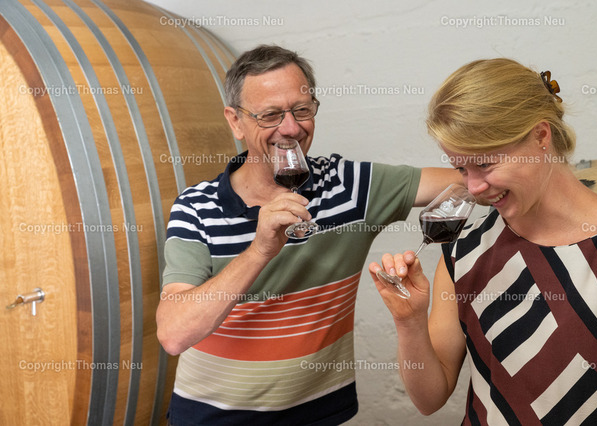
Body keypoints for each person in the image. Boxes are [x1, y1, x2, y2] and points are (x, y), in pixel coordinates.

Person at [155, 44, 460, 425]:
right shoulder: (197, 206)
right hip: (211, 421)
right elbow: (174, 334)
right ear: (235, 121)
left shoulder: (347, 188)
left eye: (301, 110)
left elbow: (472, 180)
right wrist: (259, 252)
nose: (291, 128)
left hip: (320, 417)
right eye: (270, 115)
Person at [369, 58, 597, 424]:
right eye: (461, 168)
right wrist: (410, 321)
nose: (473, 187)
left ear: (541, 136)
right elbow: (429, 399)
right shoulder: (463, 249)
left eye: (485, 164)